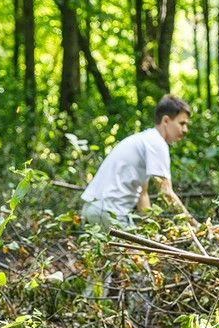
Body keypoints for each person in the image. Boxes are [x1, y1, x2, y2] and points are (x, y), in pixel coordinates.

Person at [81, 95, 193, 228]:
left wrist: (149, 228)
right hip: (110, 212)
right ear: (166, 120)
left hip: (92, 209)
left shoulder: (145, 140)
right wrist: (193, 224)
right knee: (140, 249)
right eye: (182, 123)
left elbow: (142, 194)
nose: (185, 130)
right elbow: (166, 192)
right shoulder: (157, 143)